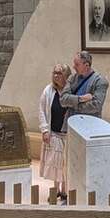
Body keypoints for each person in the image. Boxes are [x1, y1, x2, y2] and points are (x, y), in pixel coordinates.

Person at [38, 62, 72, 203]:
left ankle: (65, 191)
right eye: (54, 73)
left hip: (68, 135)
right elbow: (41, 110)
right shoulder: (48, 90)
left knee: (66, 164)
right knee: (54, 164)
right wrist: (45, 130)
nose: (56, 75)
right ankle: (55, 190)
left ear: (66, 76)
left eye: (59, 73)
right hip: (54, 133)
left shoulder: (71, 91)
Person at [59, 51, 109, 121]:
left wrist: (73, 105)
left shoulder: (100, 81)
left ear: (86, 65)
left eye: (77, 64)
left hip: (90, 124)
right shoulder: (72, 78)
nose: (73, 67)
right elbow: (63, 100)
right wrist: (81, 98)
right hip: (71, 123)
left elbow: (96, 105)